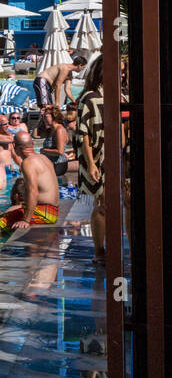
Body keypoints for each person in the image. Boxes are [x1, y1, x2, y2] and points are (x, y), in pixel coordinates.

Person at [0, 131, 59, 233]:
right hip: (53, 210)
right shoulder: (44, 158)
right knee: (6, 215)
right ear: (32, 144)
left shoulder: (28, 162)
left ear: (14, 146)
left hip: (43, 212)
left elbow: (33, 192)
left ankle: (5, 248)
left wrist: (26, 219)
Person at [74, 58, 107, 259]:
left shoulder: (120, 95)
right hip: (98, 156)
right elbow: (83, 133)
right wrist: (92, 163)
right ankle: (99, 250)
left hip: (119, 156)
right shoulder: (90, 98)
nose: (122, 75)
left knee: (114, 203)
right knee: (102, 203)